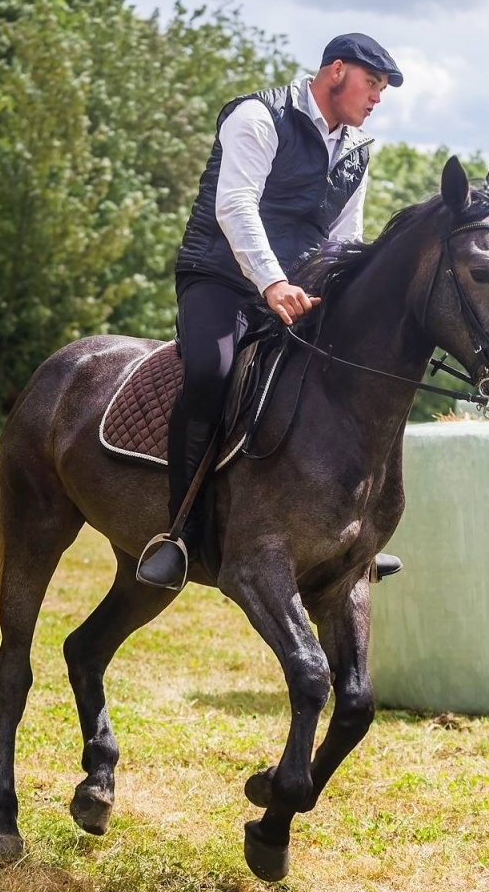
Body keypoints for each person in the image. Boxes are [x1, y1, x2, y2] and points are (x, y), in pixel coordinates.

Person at [137, 33, 405, 590]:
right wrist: (272, 282)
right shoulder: (257, 116)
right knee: (211, 374)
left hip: (295, 288)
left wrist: (336, 294)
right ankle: (178, 533)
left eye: (381, 89)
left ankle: (352, 535)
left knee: (350, 374)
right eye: (372, 84)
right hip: (220, 278)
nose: (377, 98)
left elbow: (343, 235)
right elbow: (234, 204)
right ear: (336, 72)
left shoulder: (357, 148)